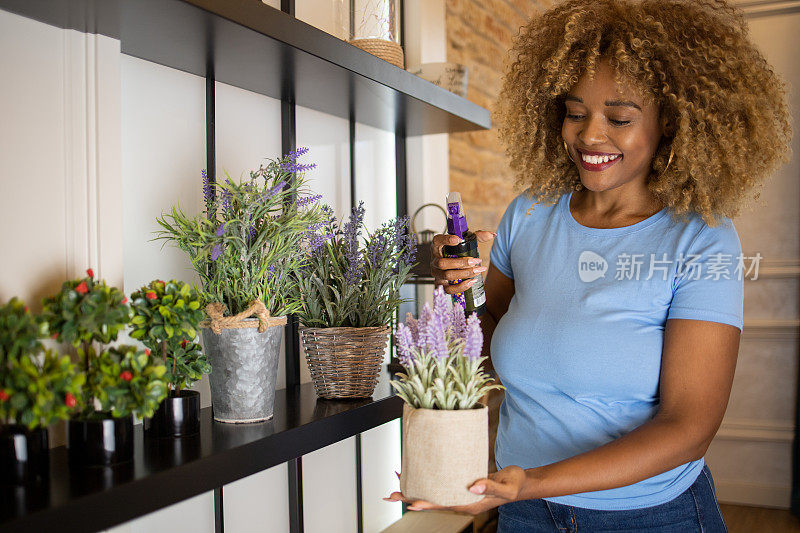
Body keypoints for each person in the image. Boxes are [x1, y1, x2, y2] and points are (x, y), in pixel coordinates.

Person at [385, 0, 792, 530]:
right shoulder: (528, 215)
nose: (590, 136)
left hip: (649, 516)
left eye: (619, 118)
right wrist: (458, 286)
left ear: (669, 122)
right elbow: (486, 341)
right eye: (576, 113)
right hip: (525, 513)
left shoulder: (700, 239)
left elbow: (688, 426)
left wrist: (534, 481)